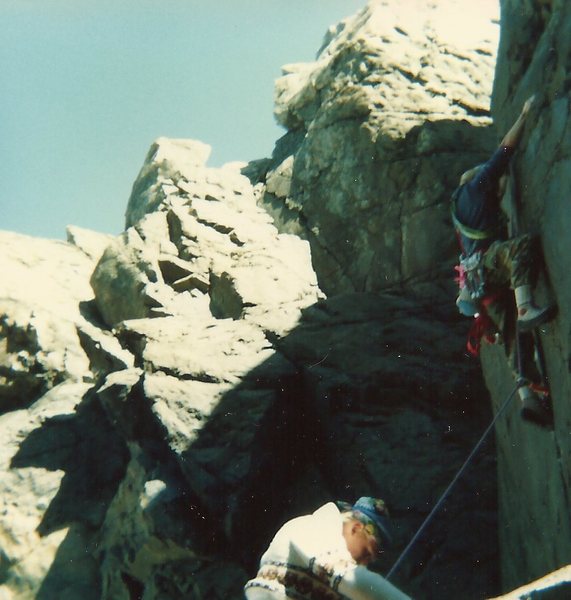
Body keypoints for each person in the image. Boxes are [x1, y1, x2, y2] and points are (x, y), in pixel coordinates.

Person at [451, 94, 556, 427]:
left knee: (513, 335)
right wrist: (524, 114)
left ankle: (529, 396)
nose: (498, 190)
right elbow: (503, 153)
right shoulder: (475, 187)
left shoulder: (462, 213)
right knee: (520, 249)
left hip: (481, 285)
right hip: (489, 264)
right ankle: (525, 307)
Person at [244, 497, 412, 599]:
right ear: (356, 528)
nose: (365, 563)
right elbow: (352, 578)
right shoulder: (314, 527)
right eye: (367, 553)